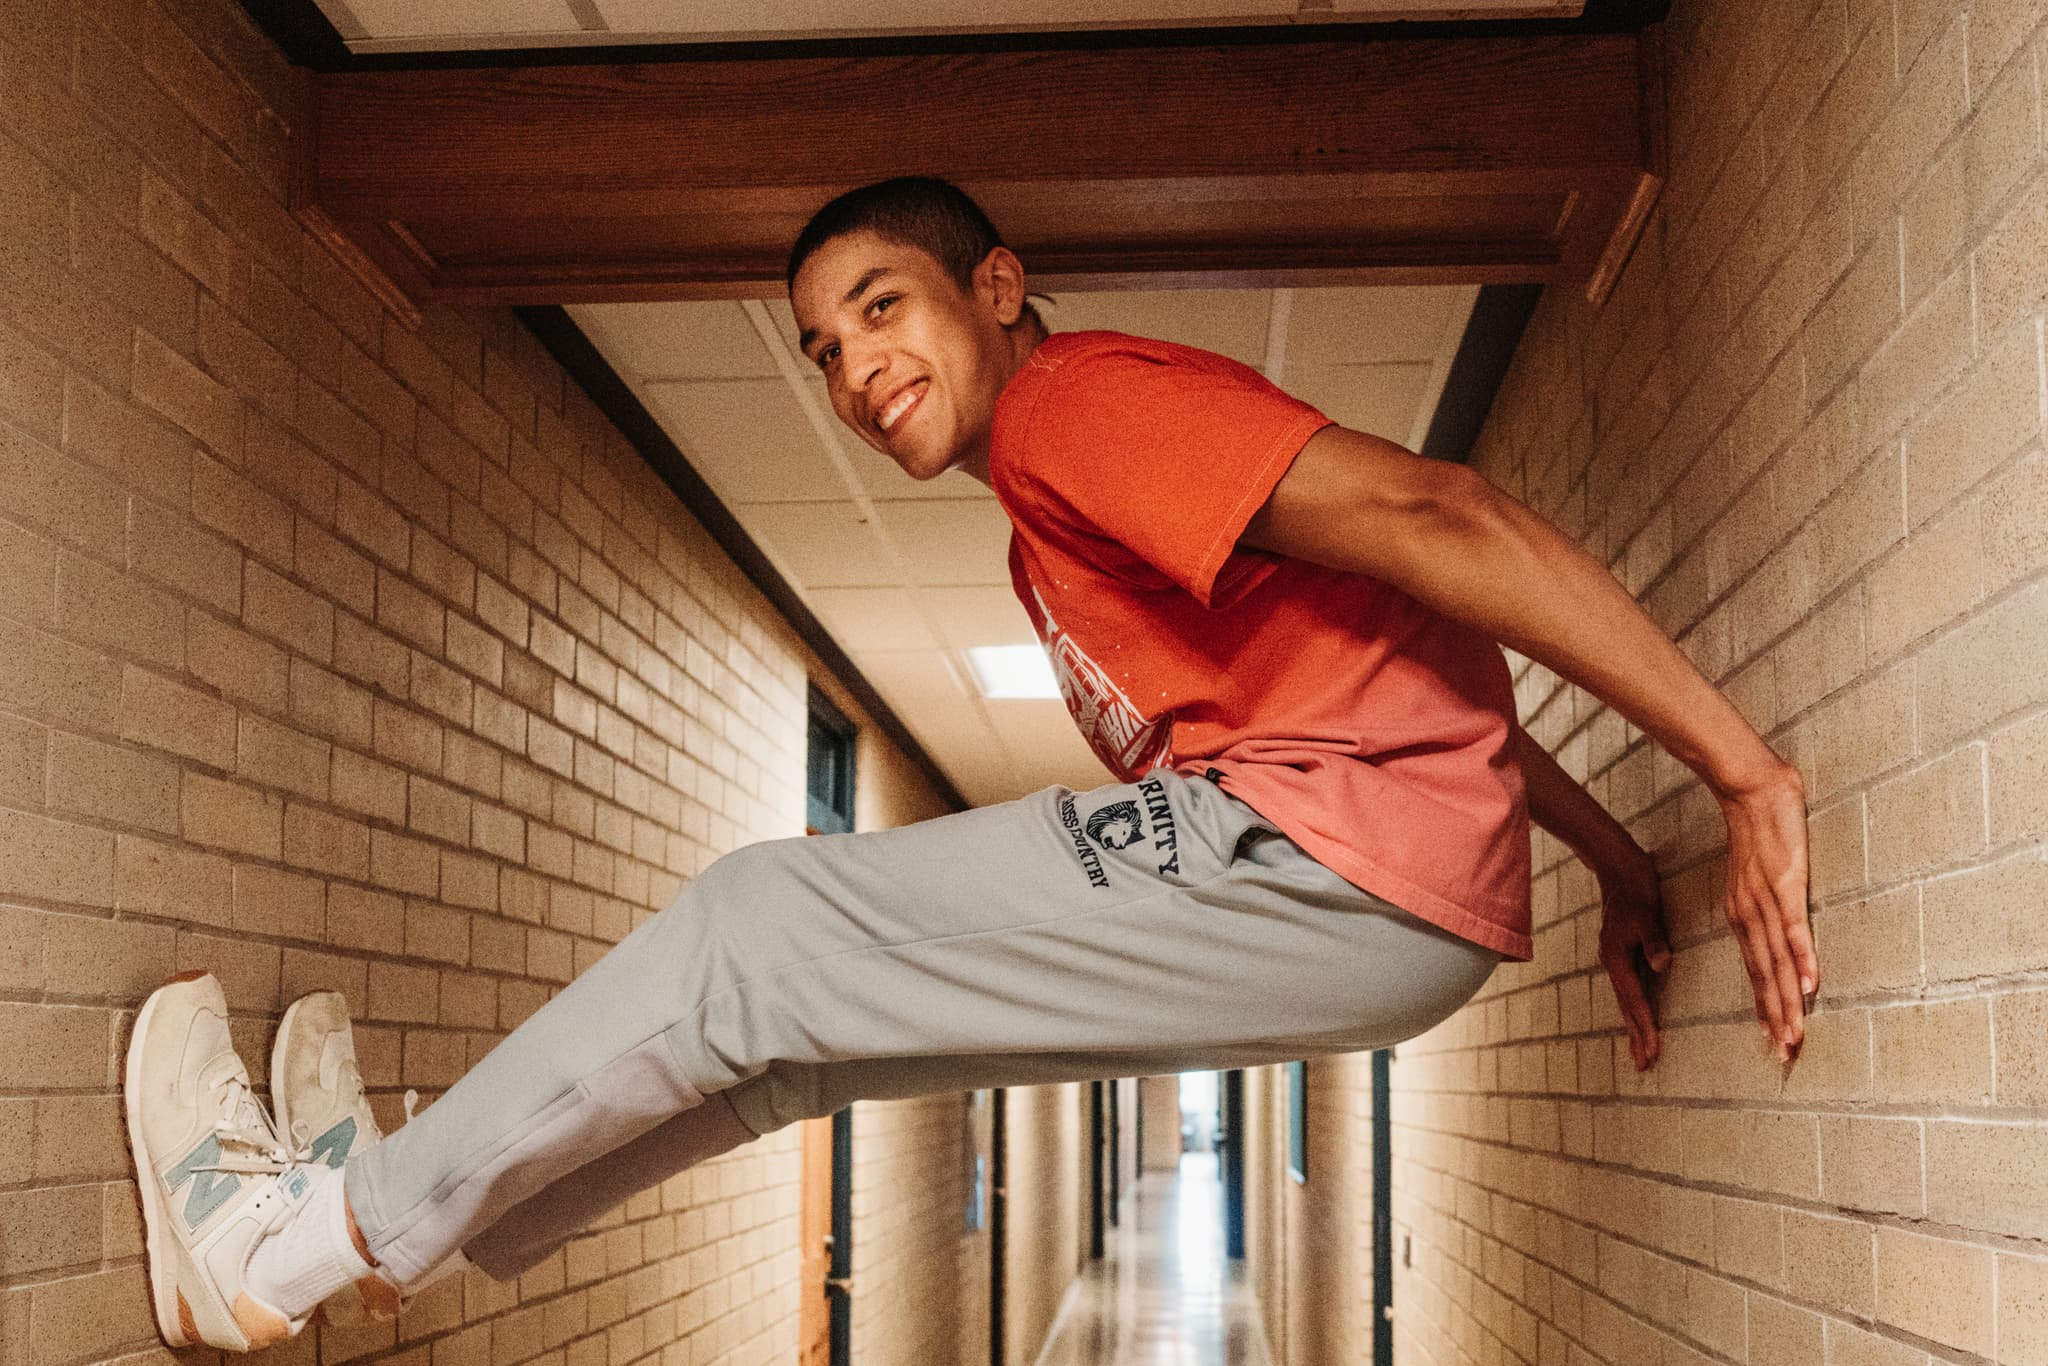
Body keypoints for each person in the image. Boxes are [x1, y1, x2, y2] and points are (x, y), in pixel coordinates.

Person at [123, 176, 1817, 1352]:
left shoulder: (1077, 405)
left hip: (1328, 860)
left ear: (993, 289)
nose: (859, 372)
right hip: (1384, 897)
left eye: (883, 308)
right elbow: (1409, 659)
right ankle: (414, 1229)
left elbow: (1435, 516)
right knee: (798, 1046)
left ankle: (290, 1247)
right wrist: (1597, 853)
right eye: (825, 350)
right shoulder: (1038, 544)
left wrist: (1741, 774)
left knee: (758, 926)